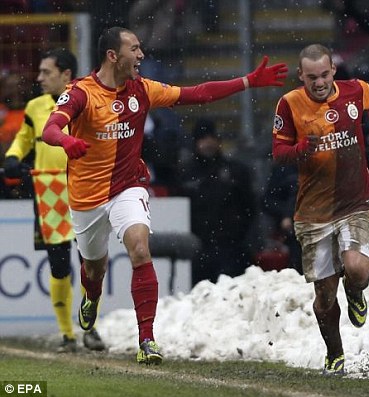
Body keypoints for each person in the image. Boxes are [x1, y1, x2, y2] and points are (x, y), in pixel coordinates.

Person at [41, 26, 288, 365]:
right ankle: (91, 296)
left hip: (127, 187)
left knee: (140, 250)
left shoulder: (142, 90)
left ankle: (147, 340)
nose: (141, 55)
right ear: (113, 56)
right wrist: (66, 140)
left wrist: (246, 81)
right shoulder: (81, 92)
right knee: (94, 268)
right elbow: (50, 128)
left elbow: (197, 93)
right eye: (135, 48)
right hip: (86, 198)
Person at [271, 43, 369, 375]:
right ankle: (335, 354)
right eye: (312, 77)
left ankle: (356, 291)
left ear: (333, 71)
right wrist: (299, 149)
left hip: (355, 203)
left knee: (356, 268)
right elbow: (278, 153)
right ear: (301, 76)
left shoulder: (355, 91)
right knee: (324, 298)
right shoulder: (290, 104)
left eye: (324, 74)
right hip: (313, 212)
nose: (319, 82)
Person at [3, 49, 106, 353]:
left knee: (89, 266)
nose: (39, 78)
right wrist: (12, 157)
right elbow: (24, 138)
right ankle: (67, 334)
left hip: (84, 190)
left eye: (46, 72)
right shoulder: (34, 107)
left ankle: (90, 328)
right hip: (49, 193)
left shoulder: (87, 102)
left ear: (66, 75)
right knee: (59, 265)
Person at [177, 117, 257, 286]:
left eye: (212, 138)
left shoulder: (236, 171)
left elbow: (249, 207)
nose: (208, 143)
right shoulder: (185, 174)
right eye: (203, 138)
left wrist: (241, 237)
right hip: (198, 247)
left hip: (231, 246)